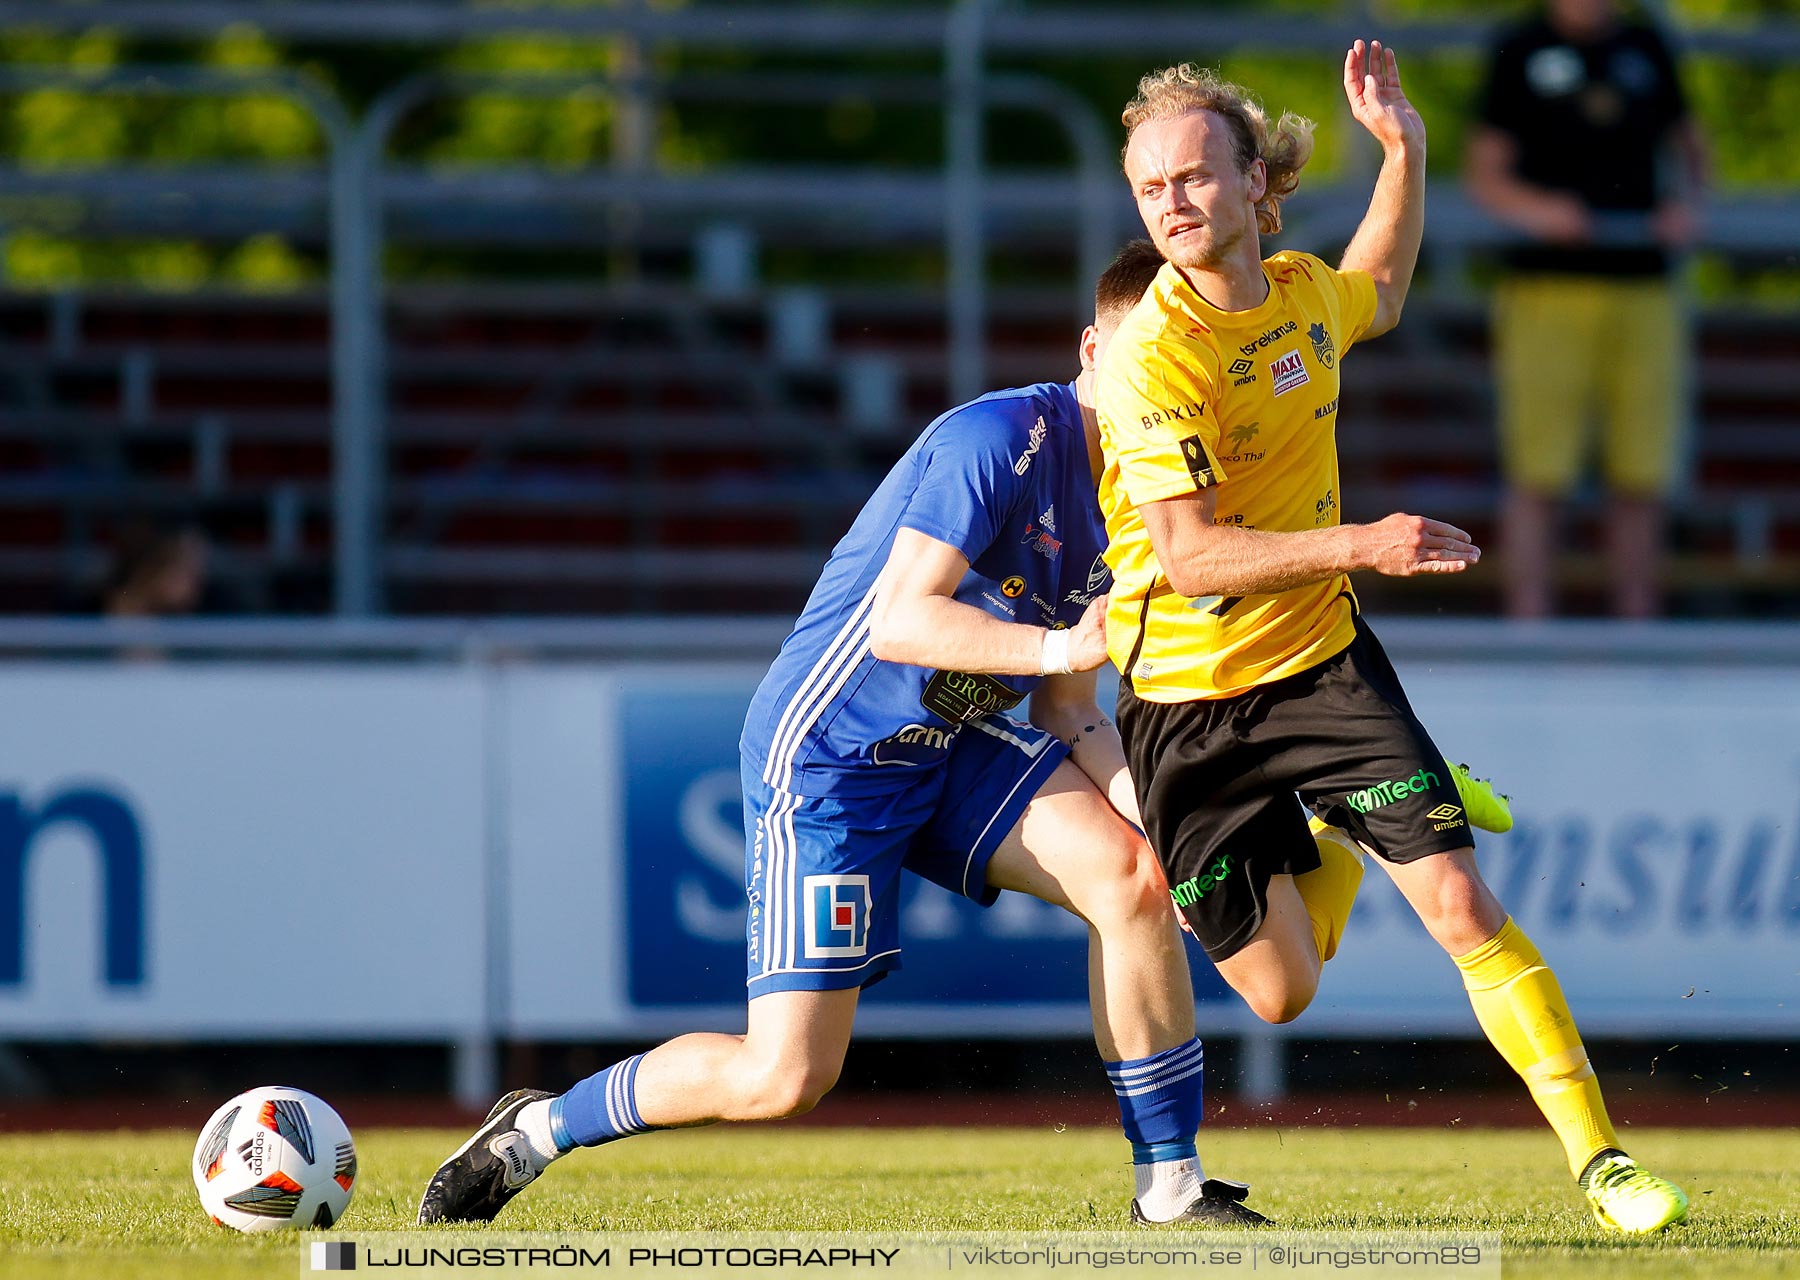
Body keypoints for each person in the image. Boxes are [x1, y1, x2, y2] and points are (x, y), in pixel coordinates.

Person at [420, 242, 1275, 1230]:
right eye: (1134, 363)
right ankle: (538, 1127)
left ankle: (1169, 1188)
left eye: (1170, 373)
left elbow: (1070, 709)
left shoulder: (1143, 505)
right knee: (784, 1075)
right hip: (833, 755)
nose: (1145, 395)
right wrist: (1054, 645)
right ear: (1091, 349)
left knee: (1133, 879)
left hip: (951, 744)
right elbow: (899, 625)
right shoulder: (999, 439)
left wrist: (1165, 818)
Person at [1094, 48, 1688, 1233]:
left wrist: (1405, 150)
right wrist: (1361, 540)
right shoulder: (1152, 355)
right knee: (1278, 991)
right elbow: (1193, 556)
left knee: (1461, 902)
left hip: (1319, 663)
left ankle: (1604, 1160)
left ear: (1256, 183)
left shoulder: (1301, 292)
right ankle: (1330, 824)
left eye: (1195, 177)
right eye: (1151, 186)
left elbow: (1383, 283)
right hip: (1184, 701)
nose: (1171, 202)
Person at [1465, 0, 1709, 619]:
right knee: (1538, 468)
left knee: (1642, 470)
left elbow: (1692, 149)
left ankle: (1637, 623)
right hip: (1548, 288)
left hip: (1644, 285)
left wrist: (1686, 208)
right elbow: (1487, 176)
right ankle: (1532, 622)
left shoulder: (1647, 42)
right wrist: (1541, 213)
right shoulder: (1518, 46)